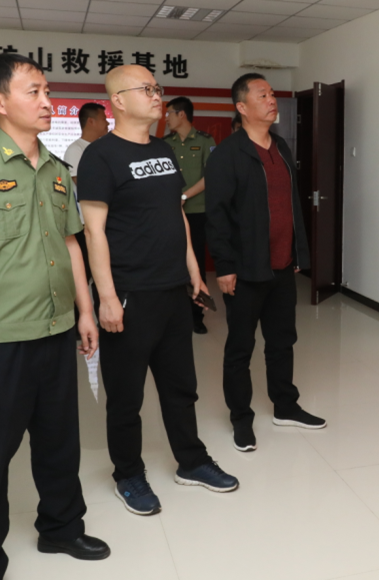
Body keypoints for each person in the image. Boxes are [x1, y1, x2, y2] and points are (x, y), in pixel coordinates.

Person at [0, 53, 108, 580]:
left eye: (47, 90)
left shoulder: (56, 170)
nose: (47, 101)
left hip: (55, 330)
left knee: (59, 442)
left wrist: (85, 311)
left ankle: (61, 528)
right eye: (33, 91)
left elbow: (72, 244)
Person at [79, 66, 237, 516]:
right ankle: (128, 474)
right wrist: (107, 297)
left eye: (157, 88)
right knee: (126, 396)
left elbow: (177, 213)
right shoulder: (100, 156)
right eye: (146, 89)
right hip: (130, 292)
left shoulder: (164, 149)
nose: (156, 96)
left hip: (172, 290)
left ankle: (192, 461)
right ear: (118, 100)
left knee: (180, 386)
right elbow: (93, 232)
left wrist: (194, 272)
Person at [206, 73, 326, 452]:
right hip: (245, 269)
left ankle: (285, 406)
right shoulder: (227, 154)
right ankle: (241, 418)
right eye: (263, 95)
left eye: (272, 94)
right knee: (240, 348)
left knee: (282, 341)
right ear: (242, 107)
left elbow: (291, 205)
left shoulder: (282, 146)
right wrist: (225, 266)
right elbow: (217, 215)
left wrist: (298, 254)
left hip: (282, 265)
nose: (272, 100)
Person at [163, 97, 216, 334]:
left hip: (196, 212)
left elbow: (210, 176)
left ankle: (196, 316)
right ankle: (174, 313)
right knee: (170, 261)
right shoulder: (165, 143)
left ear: (181, 114)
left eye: (169, 113)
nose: (166, 118)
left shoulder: (205, 141)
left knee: (196, 264)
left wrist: (184, 196)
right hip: (169, 213)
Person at [63, 102, 108, 290]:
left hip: (104, 221)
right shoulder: (76, 149)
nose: (108, 124)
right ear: (91, 121)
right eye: (104, 119)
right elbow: (81, 183)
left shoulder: (103, 148)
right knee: (86, 272)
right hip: (84, 223)